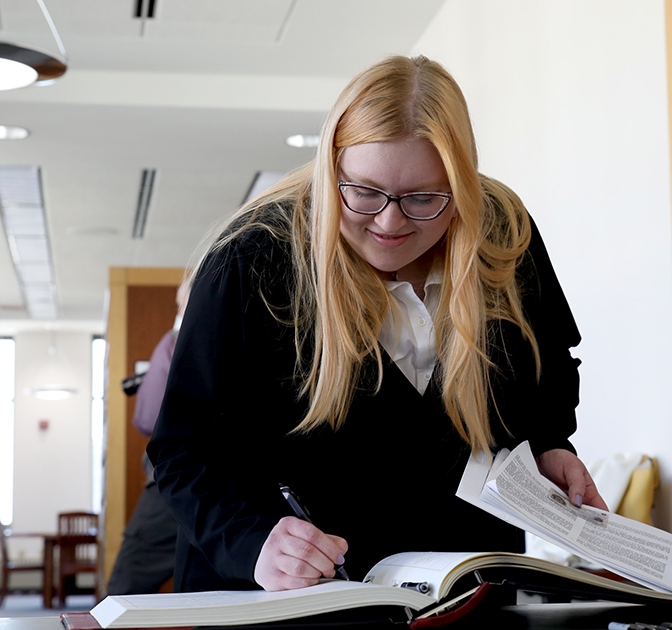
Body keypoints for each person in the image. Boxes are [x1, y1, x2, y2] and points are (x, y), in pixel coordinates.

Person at [147, 55, 606, 593]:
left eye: (423, 199)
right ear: (330, 170)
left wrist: (550, 444)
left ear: (461, 187)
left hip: (464, 584)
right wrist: (252, 541)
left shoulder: (502, 234)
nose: (390, 222)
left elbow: (547, 366)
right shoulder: (255, 260)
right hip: (295, 593)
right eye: (363, 192)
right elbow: (184, 449)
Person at [106, 283, 189, 595]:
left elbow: (147, 418)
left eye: (180, 304)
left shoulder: (173, 342)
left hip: (174, 481)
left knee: (124, 587)